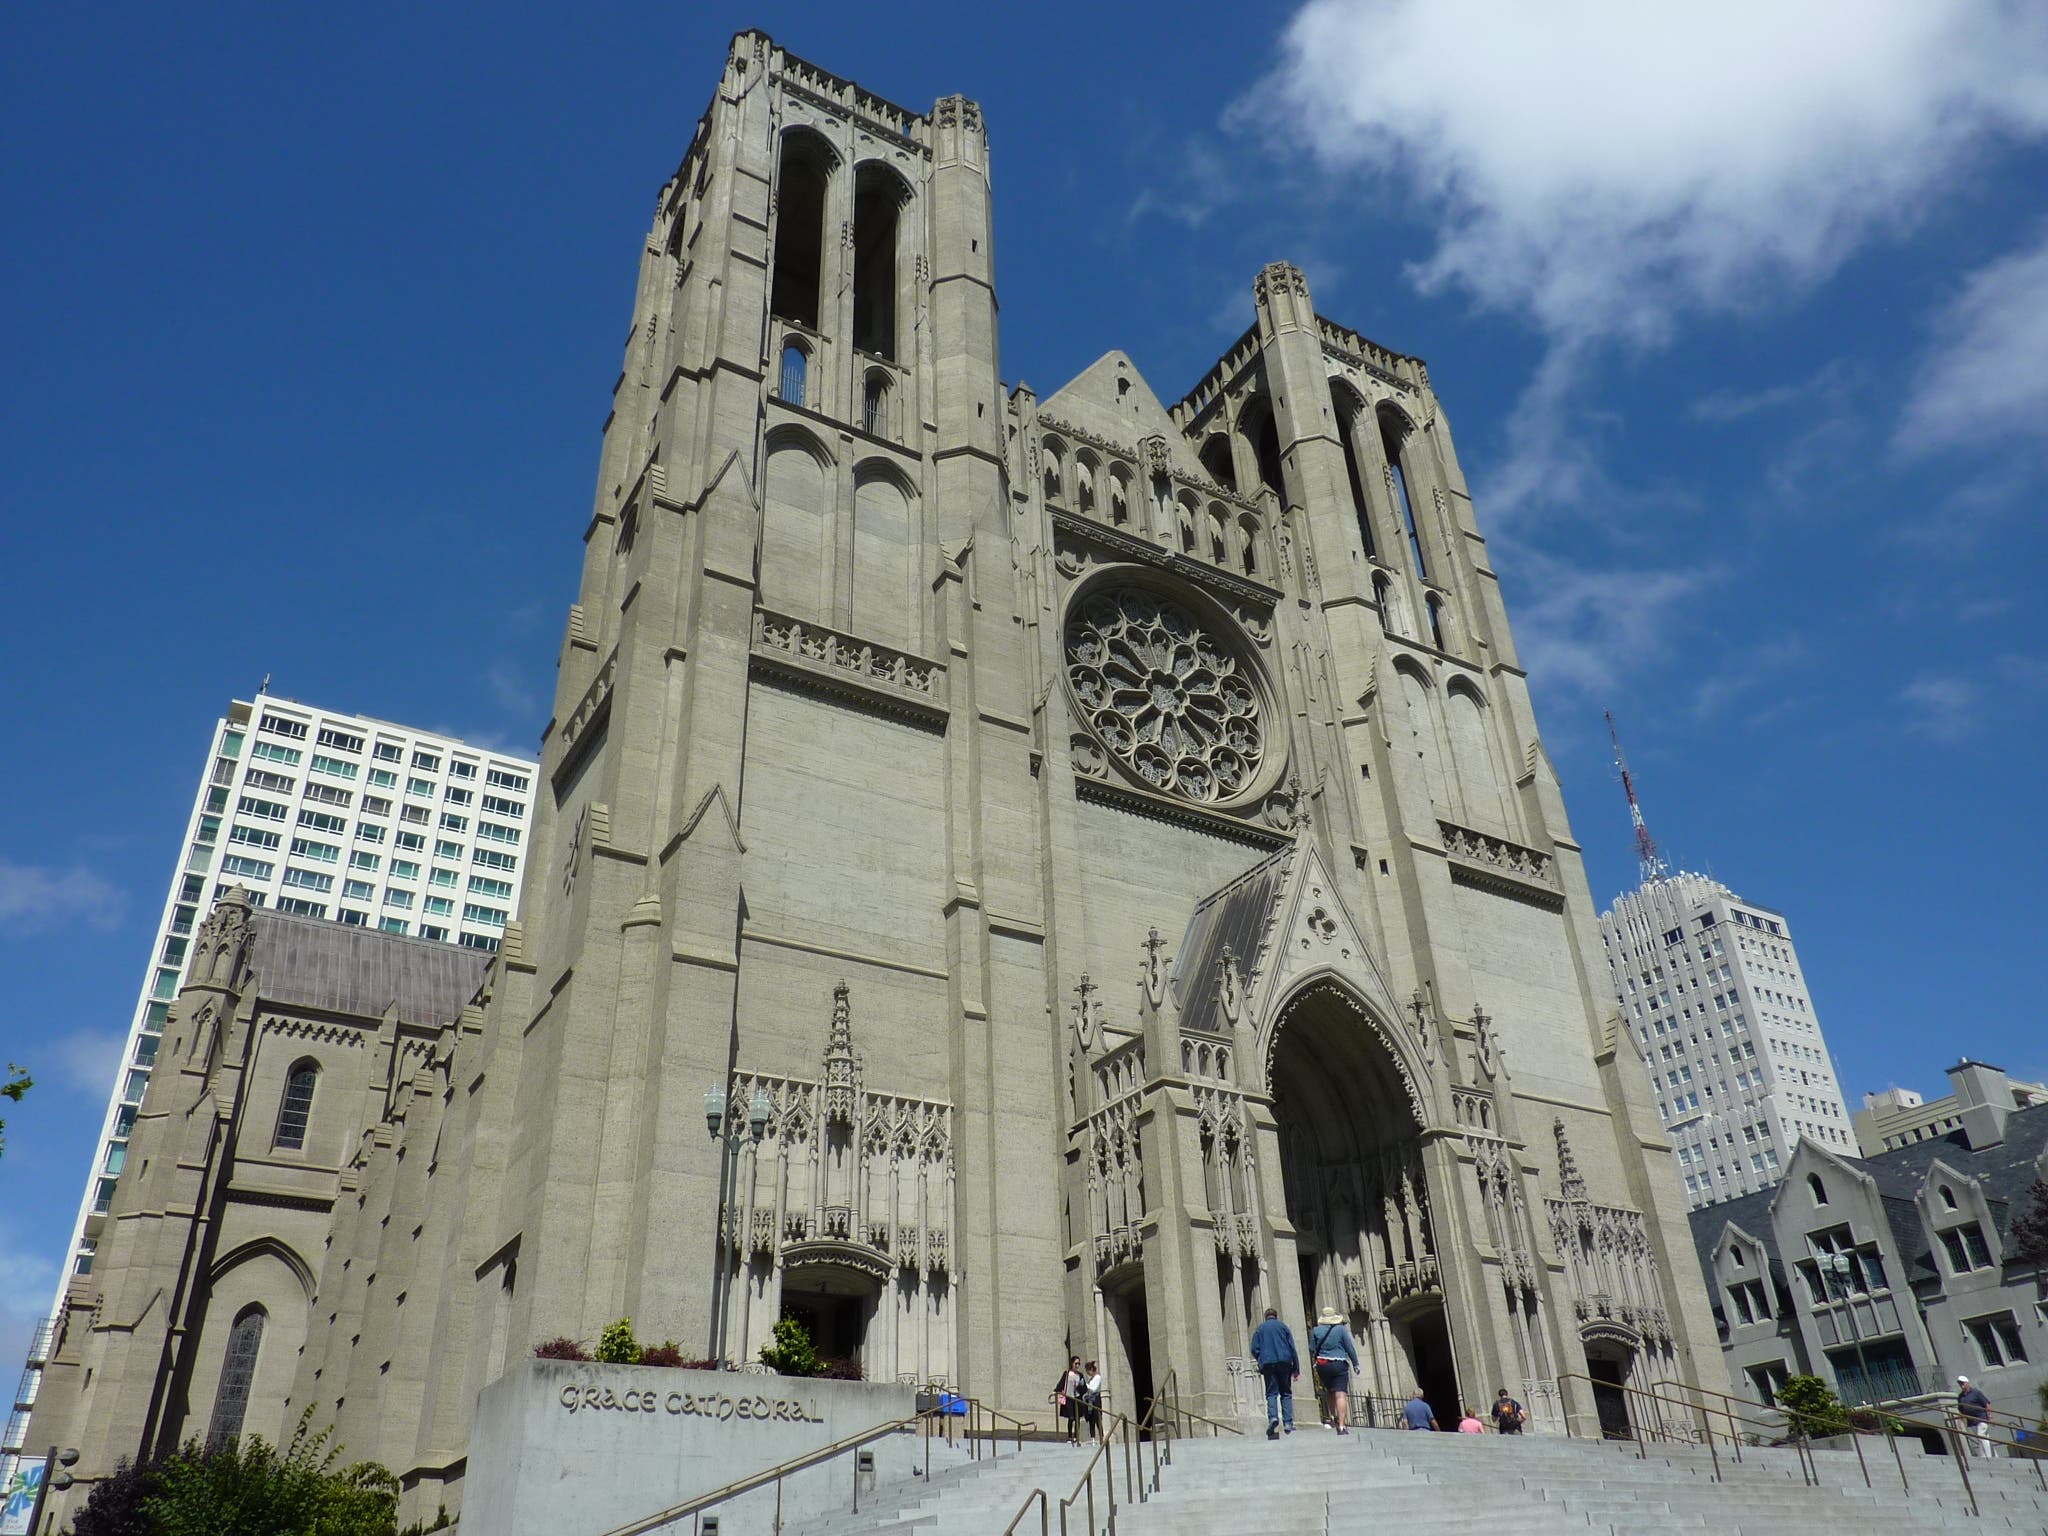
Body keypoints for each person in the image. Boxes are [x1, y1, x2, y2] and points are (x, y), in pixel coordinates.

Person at [1250, 1306, 1300, 1440]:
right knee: (1286, 1392)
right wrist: (1296, 1368)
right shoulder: (1283, 1327)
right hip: (1284, 1362)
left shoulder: (1260, 1329)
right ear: (1276, 1316)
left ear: (1266, 1317)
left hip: (1268, 1363)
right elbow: (1292, 1348)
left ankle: (1273, 1417)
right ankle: (1288, 1423)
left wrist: (1261, 1358)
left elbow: (1254, 1348)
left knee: (1271, 1392)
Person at [1308, 1308, 1361, 1434]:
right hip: (1338, 1363)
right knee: (1341, 1394)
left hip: (1323, 1365)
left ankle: (1332, 1418)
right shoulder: (1340, 1329)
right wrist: (1355, 1364)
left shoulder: (1316, 1330)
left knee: (1330, 1392)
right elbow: (1349, 1347)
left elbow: (1312, 1348)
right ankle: (1341, 1425)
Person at [1956, 1375, 1993, 1458]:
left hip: (1981, 1418)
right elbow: (1961, 1410)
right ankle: (1993, 1455)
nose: (1961, 1385)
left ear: (1967, 1383)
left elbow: (1987, 1404)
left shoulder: (1976, 1392)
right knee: (1983, 1438)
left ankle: (1987, 1457)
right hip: (1971, 1421)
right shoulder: (1960, 1397)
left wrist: (1990, 1417)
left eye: (1963, 1383)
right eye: (1960, 1383)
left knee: (1980, 1435)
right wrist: (1960, 1422)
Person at [1053, 1355, 1085, 1444]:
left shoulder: (1080, 1375)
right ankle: (1070, 1436)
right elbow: (1061, 1383)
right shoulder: (1067, 1373)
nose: (1077, 1365)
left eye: (1079, 1363)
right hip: (1069, 1398)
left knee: (1077, 1418)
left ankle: (1076, 1436)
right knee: (1071, 1417)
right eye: (1076, 1363)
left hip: (1077, 1398)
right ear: (1072, 1363)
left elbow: (1084, 1388)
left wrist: (1078, 1387)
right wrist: (1058, 1390)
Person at [1082, 1359, 1105, 1443]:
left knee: (1097, 1418)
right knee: (1091, 1419)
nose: (1088, 1373)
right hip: (1090, 1401)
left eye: (1088, 1371)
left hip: (1096, 1400)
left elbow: (1094, 1389)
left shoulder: (1098, 1377)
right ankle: (1093, 1438)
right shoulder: (1091, 1379)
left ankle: (1102, 1436)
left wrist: (1086, 1385)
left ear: (1091, 1369)